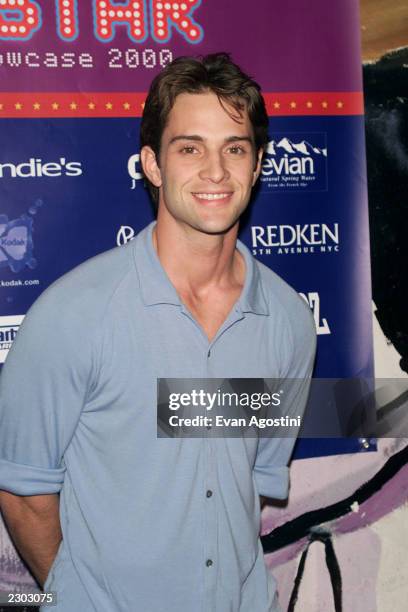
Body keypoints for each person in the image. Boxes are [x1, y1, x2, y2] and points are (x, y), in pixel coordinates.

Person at [0, 53, 316, 612]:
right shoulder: (74, 314)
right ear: (151, 164)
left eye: (234, 148)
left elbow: (252, 476)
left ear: (258, 163)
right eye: (190, 148)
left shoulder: (289, 319)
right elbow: (22, 490)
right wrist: (78, 595)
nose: (215, 171)